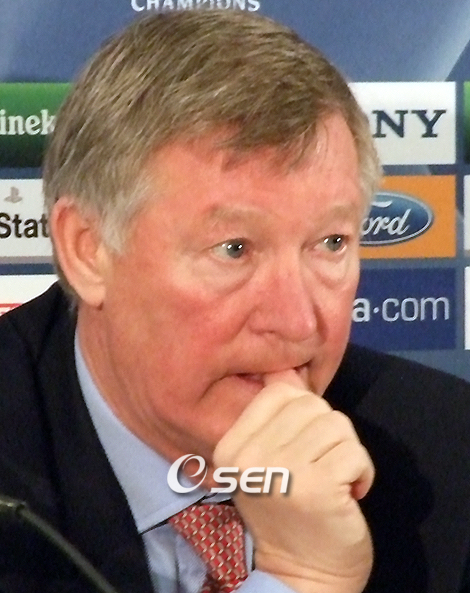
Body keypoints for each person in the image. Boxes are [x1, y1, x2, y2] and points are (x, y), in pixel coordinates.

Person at [1, 8, 470, 593]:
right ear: (88, 250)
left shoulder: (448, 454)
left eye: (330, 243)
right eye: (234, 249)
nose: (297, 322)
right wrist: (302, 578)